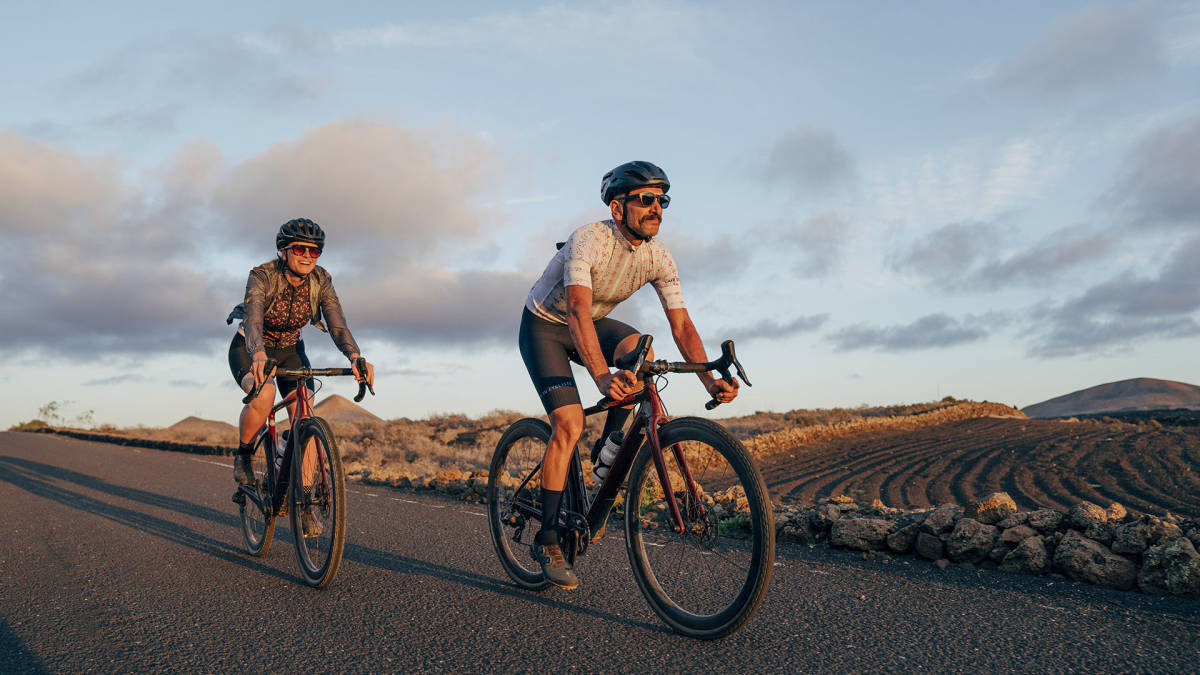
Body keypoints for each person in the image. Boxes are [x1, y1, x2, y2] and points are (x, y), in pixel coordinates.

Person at [518, 161, 739, 588]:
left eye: (662, 200)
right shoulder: (590, 240)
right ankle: (546, 539)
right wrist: (601, 376)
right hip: (546, 326)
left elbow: (682, 326)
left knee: (644, 350)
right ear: (618, 209)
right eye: (646, 200)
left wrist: (709, 381)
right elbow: (579, 309)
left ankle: (610, 450)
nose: (657, 208)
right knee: (569, 423)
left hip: (592, 322)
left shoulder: (658, 256)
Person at [226, 218, 374, 536]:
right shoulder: (262, 275)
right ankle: (243, 455)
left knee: (305, 414)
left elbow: (337, 324)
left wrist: (355, 357)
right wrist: (260, 355)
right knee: (263, 396)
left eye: (314, 251)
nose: (307, 256)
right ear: (284, 251)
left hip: (292, 349)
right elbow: (253, 320)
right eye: (300, 249)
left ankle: (304, 504)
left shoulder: (321, 280)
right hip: (251, 348)